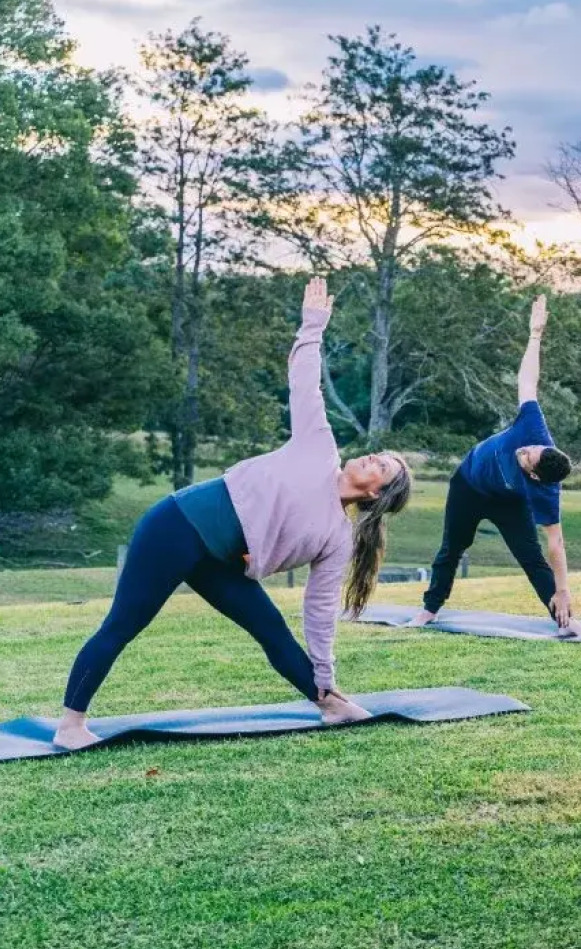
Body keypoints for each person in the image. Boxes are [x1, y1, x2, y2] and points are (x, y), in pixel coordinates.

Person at [54, 277, 413, 750]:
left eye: (381, 467)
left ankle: (328, 699)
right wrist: (312, 328)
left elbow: (320, 610)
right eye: (376, 455)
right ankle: (70, 725)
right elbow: (305, 385)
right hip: (177, 527)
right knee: (124, 624)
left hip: (218, 559)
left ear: (375, 495)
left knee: (271, 629)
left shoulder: (336, 536)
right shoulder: (318, 447)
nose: (371, 458)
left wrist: (324, 670)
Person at [411, 295, 581, 635]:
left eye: (528, 459)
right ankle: (429, 610)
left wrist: (564, 590)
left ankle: (564, 621)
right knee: (452, 548)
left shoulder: (544, 492)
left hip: (509, 502)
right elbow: (527, 381)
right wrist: (535, 335)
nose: (525, 451)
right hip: (468, 485)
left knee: (532, 559)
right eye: (530, 450)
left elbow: (556, 544)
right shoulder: (534, 427)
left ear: (536, 475)